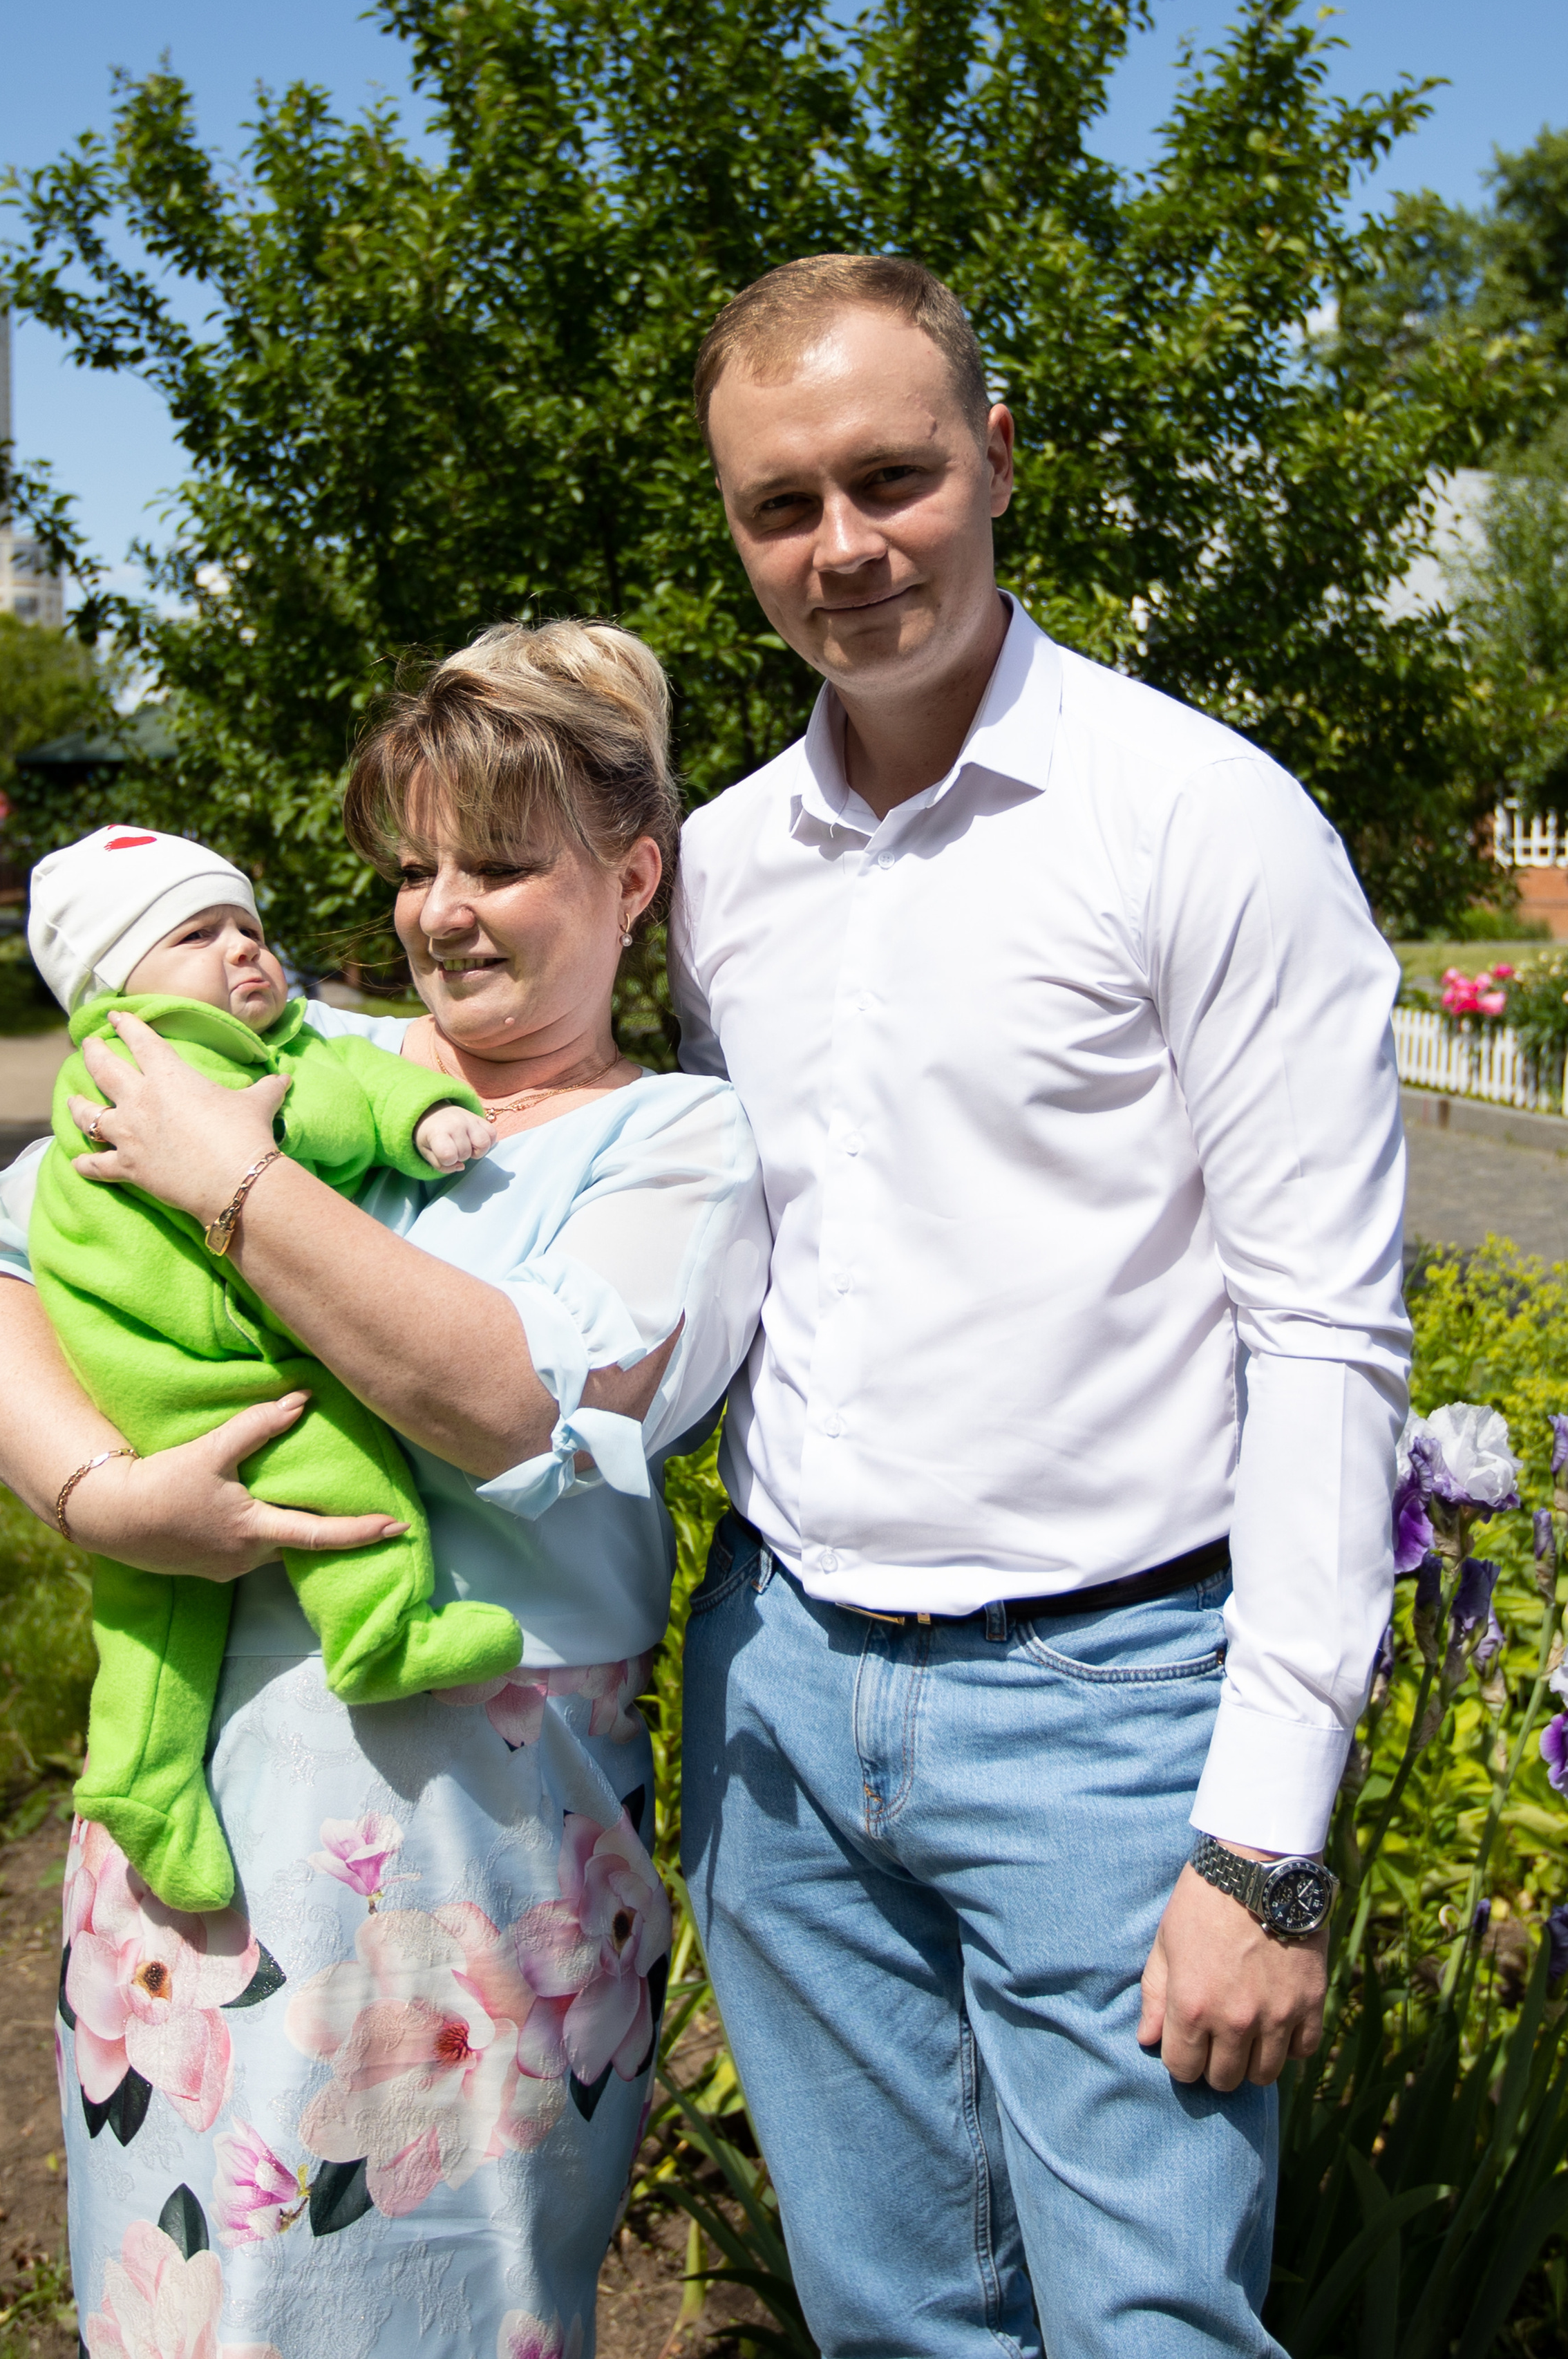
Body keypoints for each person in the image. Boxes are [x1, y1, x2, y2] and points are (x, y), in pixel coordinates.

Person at [0, 621, 768, 2357]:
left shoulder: (677, 1142)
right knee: (187, 2300)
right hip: (205, 1793)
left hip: (484, 1853)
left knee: (442, 2305)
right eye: (413, 866)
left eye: (498, 862)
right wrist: (102, 1496)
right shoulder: (293, 1054)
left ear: (632, 878)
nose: (438, 910)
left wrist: (237, 1183)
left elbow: (505, 1398)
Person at [670, 254, 1406, 2358]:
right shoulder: (715, 877)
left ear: (996, 460)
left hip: (1112, 1704)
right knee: (893, 2323)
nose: (843, 546)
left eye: (889, 476)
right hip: (785, 1701)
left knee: (1150, 2328)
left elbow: (1326, 1342)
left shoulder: (1198, 824)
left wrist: (1262, 1841)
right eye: (778, 505)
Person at [7, 822, 519, 1912]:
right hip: (204, 1364)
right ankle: (382, 1632)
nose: (245, 951)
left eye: (251, 926)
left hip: (121, 1390)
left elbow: (351, 1073)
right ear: (115, 977)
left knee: (153, 1607)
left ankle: (139, 1779)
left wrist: (424, 1106)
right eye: (200, 932)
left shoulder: (240, 1041)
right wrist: (407, 1122)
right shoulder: (166, 1056)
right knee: (333, 1454)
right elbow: (332, 1104)